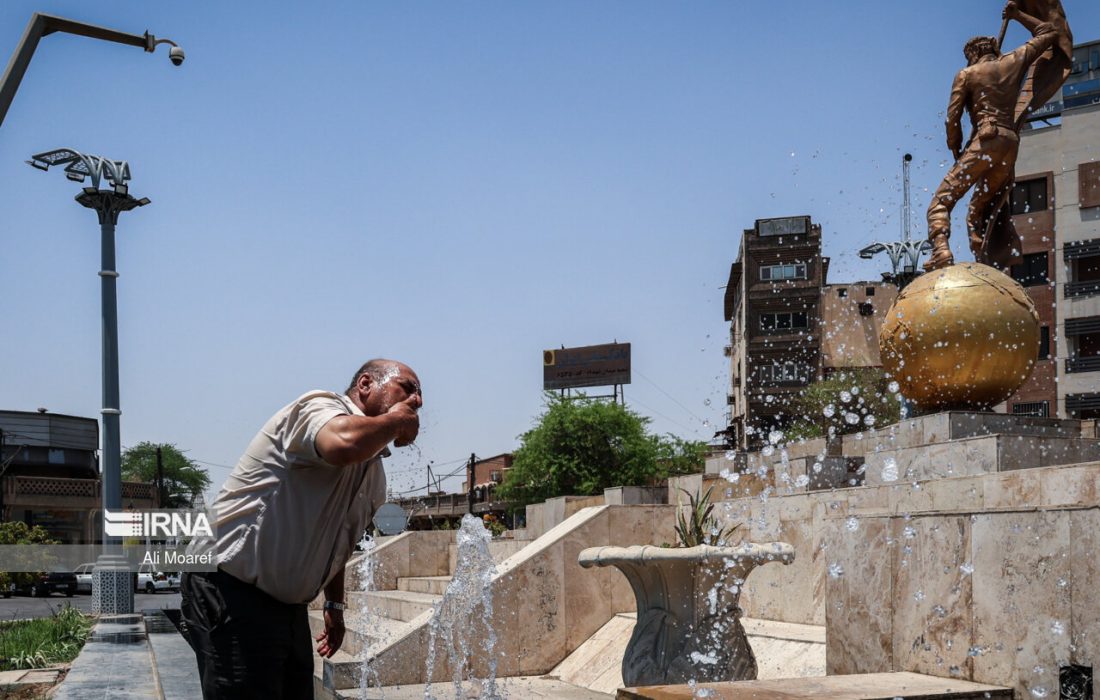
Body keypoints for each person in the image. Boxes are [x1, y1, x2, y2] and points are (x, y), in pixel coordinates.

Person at [180, 359, 422, 699]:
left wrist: (334, 606)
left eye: (420, 395)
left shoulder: (373, 475)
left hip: (286, 605)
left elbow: (339, 542)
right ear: (366, 384)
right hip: (230, 587)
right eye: (408, 389)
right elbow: (342, 445)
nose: (417, 402)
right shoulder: (319, 406)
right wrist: (398, 420)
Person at [924, 1, 1060, 271]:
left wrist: (956, 146)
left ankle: (941, 251)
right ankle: (986, 263)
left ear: (972, 55)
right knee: (981, 208)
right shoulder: (1014, 60)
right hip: (1009, 144)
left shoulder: (967, 74)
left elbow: (952, 120)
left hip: (985, 141)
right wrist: (1018, 15)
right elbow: (1050, 33)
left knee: (941, 201)